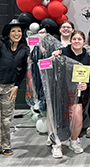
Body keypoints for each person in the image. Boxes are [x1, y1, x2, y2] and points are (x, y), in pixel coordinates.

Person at [51, 30, 90, 158]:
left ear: (84, 42)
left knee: (78, 121)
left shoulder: (87, 58)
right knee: (58, 121)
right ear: (70, 40)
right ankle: (57, 144)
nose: (76, 41)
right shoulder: (61, 53)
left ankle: (74, 140)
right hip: (60, 93)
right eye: (74, 39)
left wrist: (87, 85)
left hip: (77, 95)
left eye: (79, 39)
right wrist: (53, 57)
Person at [0, 19, 29, 155]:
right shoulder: (1, 45)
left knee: (6, 119)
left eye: (19, 31)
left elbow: (23, 69)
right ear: (8, 33)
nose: (17, 33)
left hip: (9, 88)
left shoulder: (24, 50)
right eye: (13, 31)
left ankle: (5, 145)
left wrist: (17, 85)